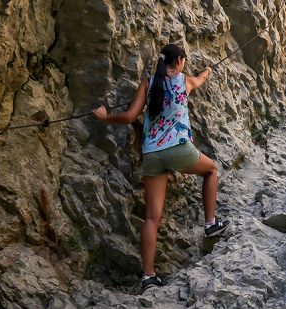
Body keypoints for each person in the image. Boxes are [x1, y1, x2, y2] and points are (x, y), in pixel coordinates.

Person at [91, 43, 229, 292]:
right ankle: (210, 224)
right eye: (183, 60)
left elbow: (130, 117)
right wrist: (208, 71)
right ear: (179, 61)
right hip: (178, 149)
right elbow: (199, 80)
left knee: (152, 217)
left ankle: (148, 276)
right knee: (211, 170)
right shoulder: (184, 81)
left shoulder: (148, 83)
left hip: (152, 154)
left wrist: (104, 117)